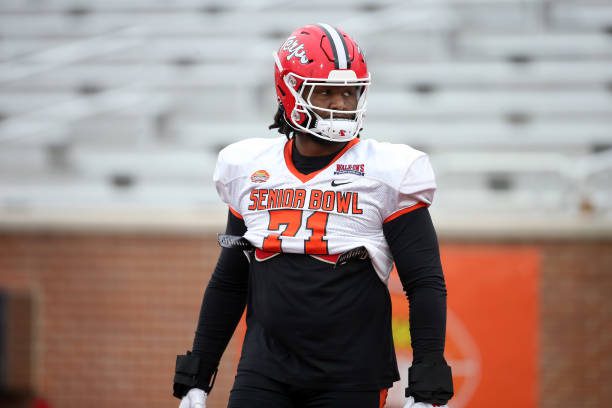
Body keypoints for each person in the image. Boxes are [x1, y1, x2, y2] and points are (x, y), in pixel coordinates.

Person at [173, 23, 453, 408]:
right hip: (265, 368)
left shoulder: (387, 171)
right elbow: (230, 280)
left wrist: (428, 386)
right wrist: (197, 376)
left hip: (350, 374)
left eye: (348, 92)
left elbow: (424, 282)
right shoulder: (249, 167)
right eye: (325, 91)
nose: (340, 103)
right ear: (289, 91)